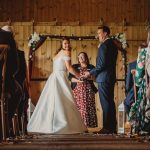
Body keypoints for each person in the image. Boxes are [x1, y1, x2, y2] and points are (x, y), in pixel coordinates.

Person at [27, 37, 87, 134]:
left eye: (68, 43)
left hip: (54, 77)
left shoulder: (57, 54)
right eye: (65, 44)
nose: (67, 45)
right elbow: (70, 68)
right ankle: (62, 125)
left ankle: (50, 124)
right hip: (60, 77)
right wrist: (80, 76)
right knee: (65, 99)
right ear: (61, 44)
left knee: (54, 101)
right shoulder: (66, 53)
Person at [82, 26, 118, 134]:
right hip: (110, 77)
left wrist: (89, 72)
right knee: (110, 102)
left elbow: (101, 65)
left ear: (105, 33)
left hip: (103, 78)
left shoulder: (103, 46)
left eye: (99, 33)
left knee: (106, 103)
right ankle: (112, 127)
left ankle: (107, 128)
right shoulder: (113, 45)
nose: (98, 35)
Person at [68, 52, 98, 128]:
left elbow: (95, 79)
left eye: (83, 56)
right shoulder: (74, 66)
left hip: (88, 91)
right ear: (78, 59)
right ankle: (77, 126)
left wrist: (87, 77)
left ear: (86, 58)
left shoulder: (91, 67)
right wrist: (78, 80)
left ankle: (89, 126)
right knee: (78, 108)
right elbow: (70, 78)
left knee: (88, 108)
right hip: (77, 91)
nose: (81, 58)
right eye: (79, 57)